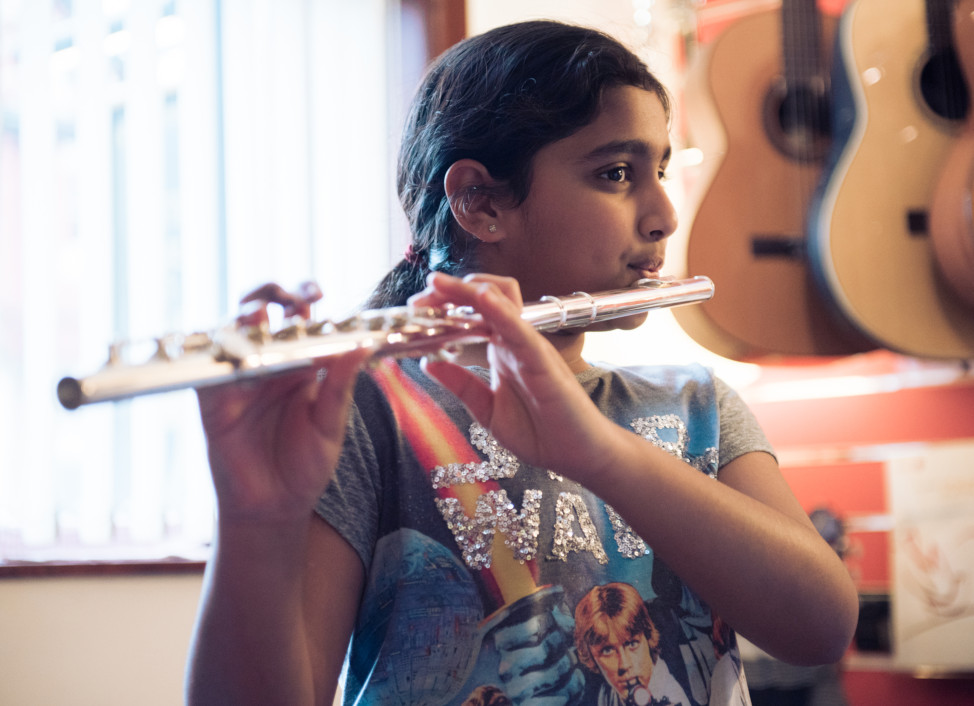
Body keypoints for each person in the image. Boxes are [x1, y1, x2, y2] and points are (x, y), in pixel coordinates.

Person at [185, 19, 859, 706]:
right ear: (481, 203)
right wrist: (253, 523)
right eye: (617, 173)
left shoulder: (696, 404)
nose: (663, 215)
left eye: (660, 168)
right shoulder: (364, 410)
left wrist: (600, 453)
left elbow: (820, 628)